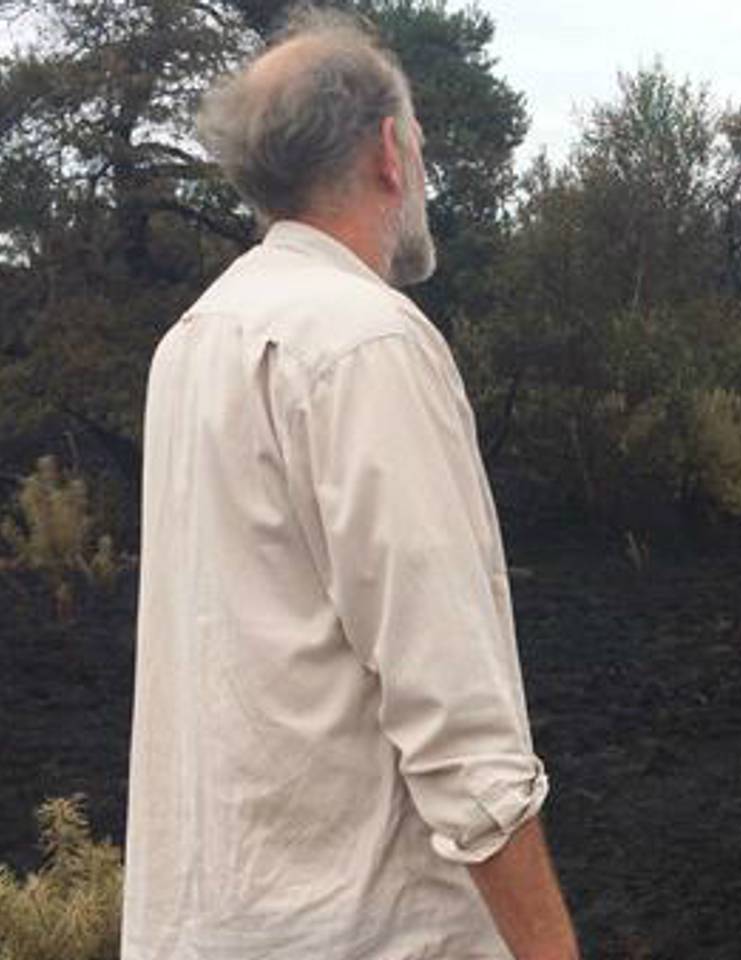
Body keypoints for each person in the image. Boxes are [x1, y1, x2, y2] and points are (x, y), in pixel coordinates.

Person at [121, 8, 578, 960]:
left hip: (208, 928)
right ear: (388, 152)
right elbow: (456, 716)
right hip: (367, 933)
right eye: (417, 142)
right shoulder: (365, 343)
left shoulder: (193, 341)